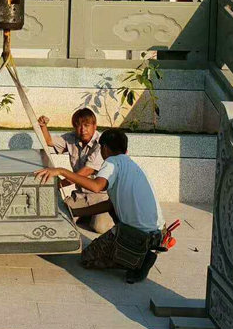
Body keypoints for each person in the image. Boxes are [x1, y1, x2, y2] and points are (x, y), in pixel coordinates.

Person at [34, 128, 164, 284]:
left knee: (87, 258)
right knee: (112, 218)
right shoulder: (133, 165)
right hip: (157, 233)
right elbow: (110, 205)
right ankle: (139, 251)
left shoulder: (111, 162)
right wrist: (74, 212)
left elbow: (96, 186)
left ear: (105, 148)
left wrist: (62, 171)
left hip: (137, 235)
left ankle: (137, 259)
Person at [38, 108, 114, 233]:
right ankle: (85, 215)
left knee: (100, 227)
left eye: (86, 125)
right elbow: (49, 141)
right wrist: (43, 126)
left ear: (94, 126)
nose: (83, 130)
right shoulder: (72, 137)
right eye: (78, 126)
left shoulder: (101, 144)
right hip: (80, 195)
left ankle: (98, 216)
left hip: (101, 198)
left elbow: (86, 171)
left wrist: (59, 183)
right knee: (58, 217)